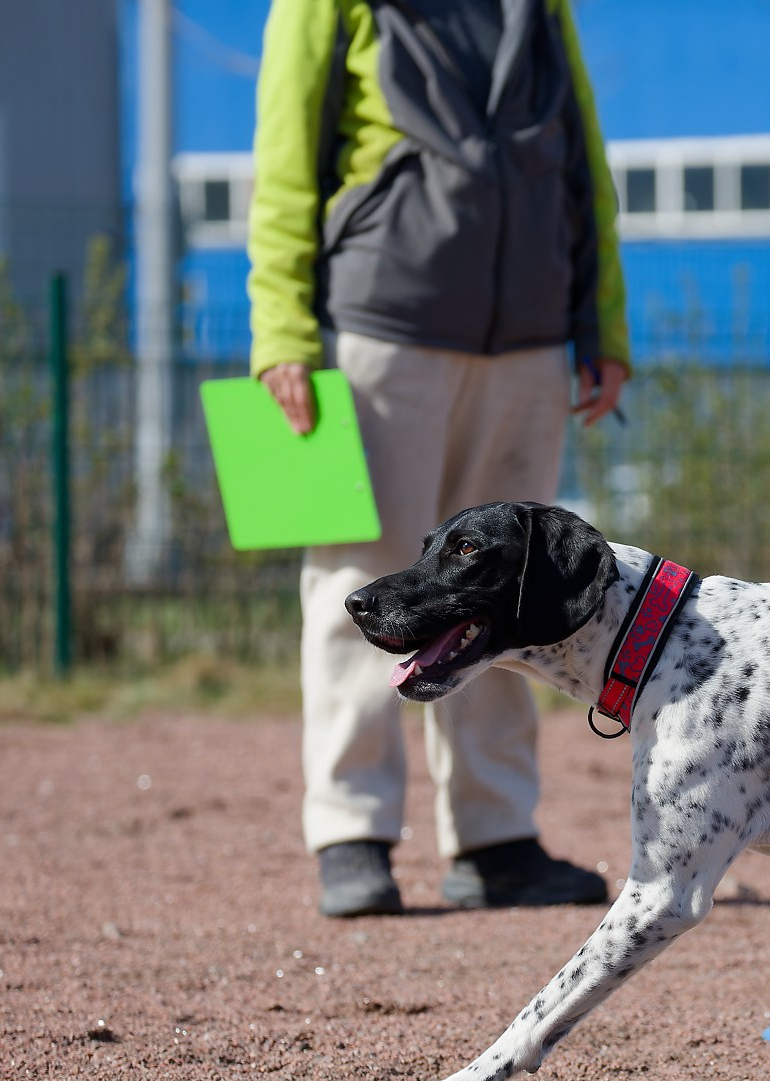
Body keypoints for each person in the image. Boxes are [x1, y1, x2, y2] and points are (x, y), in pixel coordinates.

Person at [248, 0, 631, 916]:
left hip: (532, 335)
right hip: (380, 325)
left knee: (511, 592)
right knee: (359, 569)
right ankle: (352, 832)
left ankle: (496, 838)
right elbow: (285, 166)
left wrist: (599, 320)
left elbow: (581, 159)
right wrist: (280, 331)